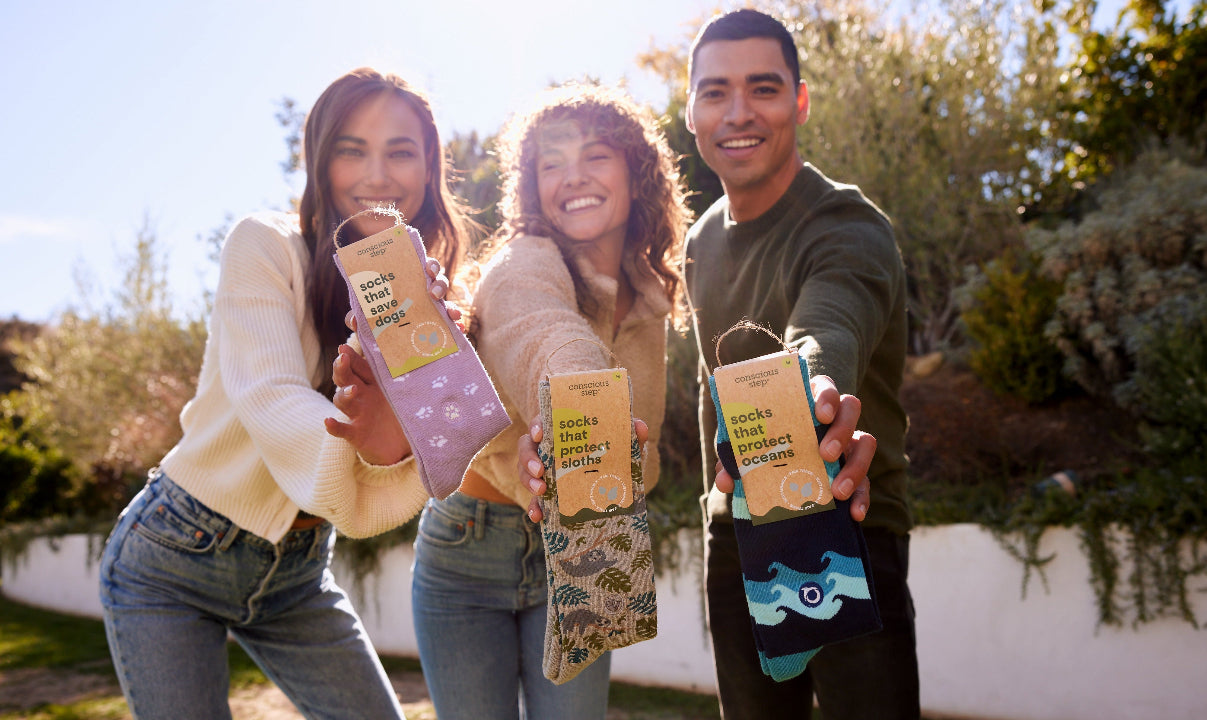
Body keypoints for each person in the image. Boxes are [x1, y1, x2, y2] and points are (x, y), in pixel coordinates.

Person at [97, 67, 472, 720]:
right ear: (319, 161)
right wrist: (362, 436)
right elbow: (270, 396)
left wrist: (422, 409)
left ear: (429, 169)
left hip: (297, 573)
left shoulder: (422, 294)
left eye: (400, 152)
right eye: (351, 149)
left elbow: (434, 440)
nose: (377, 175)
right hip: (176, 554)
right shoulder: (264, 245)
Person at [395, 83, 687, 720]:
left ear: (637, 174)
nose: (573, 176)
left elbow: (644, 449)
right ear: (533, 187)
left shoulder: (650, 296)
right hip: (469, 548)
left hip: (582, 542)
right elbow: (545, 337)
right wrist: (574, 416)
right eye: (552, 163)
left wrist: (599, 463)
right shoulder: (521, 263)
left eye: (595, 156)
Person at [683, 8, 920, 719]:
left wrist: (814, 384)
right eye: (715, 92)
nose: (738, 113)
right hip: (735, 531)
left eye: (763, 88)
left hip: (848, 521)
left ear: (801, 100)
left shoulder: (847, 225)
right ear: (691, 111)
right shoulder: (699, 241)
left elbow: (826, 326)